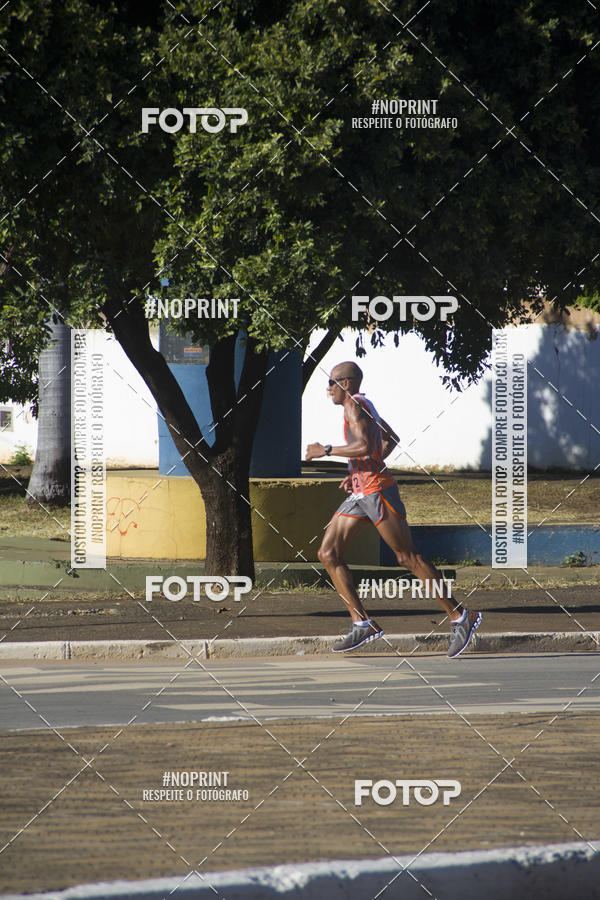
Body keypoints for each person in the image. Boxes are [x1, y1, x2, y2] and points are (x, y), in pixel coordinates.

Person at [305, 361, 482, 657]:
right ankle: (362, 624)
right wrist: (360, 471)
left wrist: (326, 450)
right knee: (327, 553)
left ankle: (462, 617)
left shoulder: (352, 405)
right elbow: (390, 438)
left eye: (331, 383)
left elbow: (364, 445)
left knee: (406, 557)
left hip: (377, 492)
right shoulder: (365, 405)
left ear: (346, 383)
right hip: (361, 491)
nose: (328, 390)